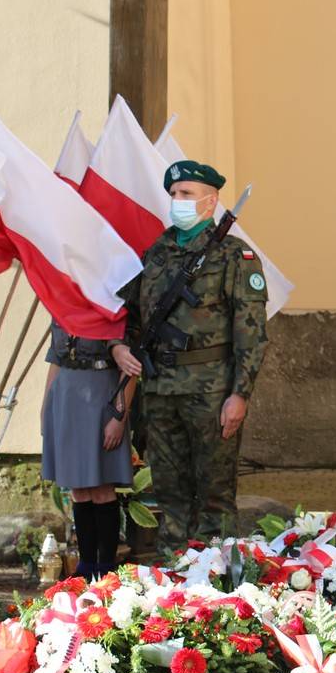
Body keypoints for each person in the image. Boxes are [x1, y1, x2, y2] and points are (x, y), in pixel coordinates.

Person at [116, 159, 268, 547]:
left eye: (186, 194)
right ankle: (176, 579)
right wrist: (119, 346)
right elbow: (135, 317)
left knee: (215, 494)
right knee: (169, 492)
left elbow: (250, 332)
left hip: (211, 391)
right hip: (161, 391)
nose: (177, 201)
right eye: (173, 194)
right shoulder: (156, 253)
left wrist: (240, 394)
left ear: (211, 201)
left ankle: (216, 586)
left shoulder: (235, 256)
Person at [41, 321, 134, 579]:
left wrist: (119, 415)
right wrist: (46, 408)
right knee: (78, 489)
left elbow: (130, 369)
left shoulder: (108, 305)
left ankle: (106, 569)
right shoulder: (61, 308)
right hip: (66, 397)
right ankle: (85, 566)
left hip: (101, 394)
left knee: (102, 488)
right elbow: (56, 360)